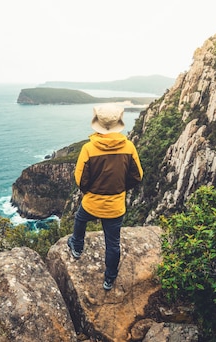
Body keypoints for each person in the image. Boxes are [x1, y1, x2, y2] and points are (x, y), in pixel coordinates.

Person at [67, 103, 143, 290]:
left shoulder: (88, 148)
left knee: (80, 218)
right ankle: (109, 279)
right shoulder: (129, 147)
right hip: (116, 205)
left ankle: (76, 247)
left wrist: (91, 191)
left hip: (92, 202)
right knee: (113, 243)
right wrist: (120, 189)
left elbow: (80, 180)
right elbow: (137, 176)